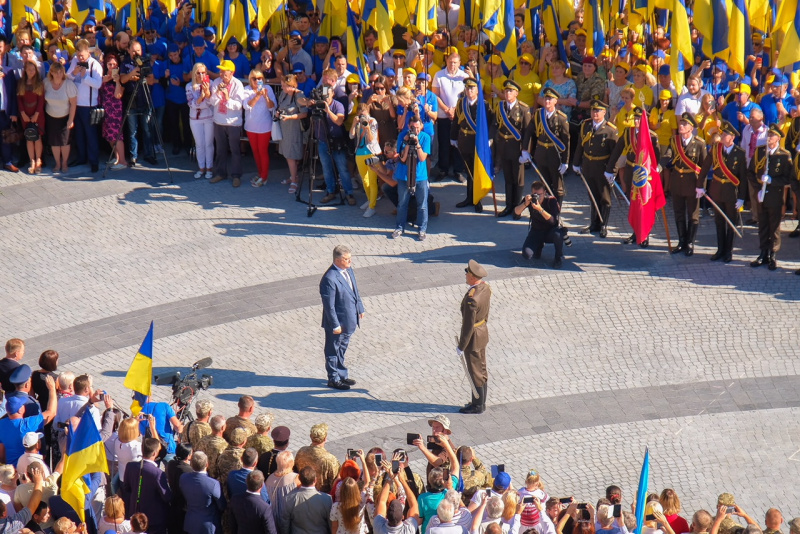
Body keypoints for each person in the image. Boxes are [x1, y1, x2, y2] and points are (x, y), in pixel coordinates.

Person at [697, 121, 748, 262]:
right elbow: (705, 168)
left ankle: (728, 251)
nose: (722, 135)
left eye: (725, 134)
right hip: (717, 190)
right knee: (719, 222)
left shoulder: (739, 153)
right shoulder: (715, 149)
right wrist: (700, 185)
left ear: (732, 138)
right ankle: (720, 249)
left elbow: (743, 178)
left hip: (732, 193)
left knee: (731, 223)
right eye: (722, 133)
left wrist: (742, 198)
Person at [319, 245, 364, 390]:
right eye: (346, 259)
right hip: (337, 323)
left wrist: (360, 308)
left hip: (349, 319)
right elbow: (329, 306)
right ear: (337, 260)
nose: (350, 262)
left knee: (342, 348)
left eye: (350, 258)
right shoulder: (329, 279)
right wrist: (335, 325)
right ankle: (333, 378)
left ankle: (342, 374)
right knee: (333, 350)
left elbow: (354, 290)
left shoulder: (348, 270)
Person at [747, 124, 792, 271]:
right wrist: (758, 188)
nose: (769, 138)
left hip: (775, 196)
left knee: (774, 227)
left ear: (778, 138)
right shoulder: (760, 151)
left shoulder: (784, 155)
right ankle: (763, 252)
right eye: (768, 135)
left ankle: (773, 254)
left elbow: (788, 178)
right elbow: (751, 172)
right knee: (763, 225)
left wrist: (773, 181)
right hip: (761, 196)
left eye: (772, 136)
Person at [572, 100, 618, 237]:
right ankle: (594, 224)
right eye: (593, 110)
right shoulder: (586, 125)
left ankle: (603, 225)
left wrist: (612, 171)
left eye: (598, 110)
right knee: (592, 196)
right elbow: (580, 145)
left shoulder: (610, 130)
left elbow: (614, 154)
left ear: (604, 112)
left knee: (605, 198)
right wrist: (576, 162)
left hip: (602, 168)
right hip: (588, 166)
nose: (595, 113)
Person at [523, 87, 571, 209]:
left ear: (556, 101)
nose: (547, 101)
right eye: (545, 99)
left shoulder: (561, 117)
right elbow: (529, 131)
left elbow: (566, 141)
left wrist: (565, 161)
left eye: (550, 99)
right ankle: (546, 209)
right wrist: (525, 150)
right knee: (544, 183)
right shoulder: (538, 114)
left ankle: (556, 212)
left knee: (557, 186)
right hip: (541, 153)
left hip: (555, 155)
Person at [669, 113, 707, 256]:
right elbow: (668, 155)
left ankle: (690, 242)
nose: (681, 126)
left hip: (692, 183)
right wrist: (660, 166)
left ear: (691, 128)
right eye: (680, 124)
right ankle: (681, 241)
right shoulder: (674, 141)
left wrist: (701, 186)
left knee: (693, 214)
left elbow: (703, 167)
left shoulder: (699, 143)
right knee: (678, 212)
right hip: (677, 182)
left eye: (684, 124)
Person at [457, 260, 492, 414]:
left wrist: (461, 346)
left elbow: (468, 325)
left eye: (467, 273)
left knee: (475, 371)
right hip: (482, 331)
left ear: (472, 276)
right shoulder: (484, 288)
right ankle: (481, 401)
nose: (465, 275)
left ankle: (477, 404)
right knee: (482, 368)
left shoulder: (472, 299)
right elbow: (486, 312)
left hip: (473, 337)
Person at [452, 77, 490, 213]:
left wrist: (489, 139)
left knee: (477, 171)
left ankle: (477, 199)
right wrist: (453, 137)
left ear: (477, 90)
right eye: (467, 88)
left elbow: (489, 123)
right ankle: (469, 197)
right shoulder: (461, 103)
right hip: (464, 139)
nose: (469, 90)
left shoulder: (483, 104)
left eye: (472, 88)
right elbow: (456, 120)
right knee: (468, 170)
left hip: (477, 141)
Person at [0, 375, 56, 467]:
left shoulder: (1, 424)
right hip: (29, 469)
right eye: (22, 405)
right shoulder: (28, 424)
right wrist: (52, 389)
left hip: (12, 471)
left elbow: (2, 455)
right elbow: (51, 412)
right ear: (20, 410)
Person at [392, 115, 432, 240]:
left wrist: (417, 143)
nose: (416, 130)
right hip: (404, 175)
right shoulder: (402, 136)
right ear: (409, 127)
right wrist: (407, 143)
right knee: (402, 203)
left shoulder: (425, 137)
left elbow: (422, 158)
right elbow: (402, 158)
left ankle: (422, 229)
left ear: (421, 127)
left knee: (422, 204)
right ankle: (399, 227)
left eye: (418, 127)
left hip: (420, 176)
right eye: (413, 128)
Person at [494, 80, 530, 217]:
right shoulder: (500, 107)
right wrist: (490, 138)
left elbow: (527, 132)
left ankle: (517, 208)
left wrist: (526, 150)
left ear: (516, 93)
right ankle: (509, 205)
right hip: (504, 146)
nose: (508, 93)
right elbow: (495, 124)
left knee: (518, 179)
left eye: (511, 91)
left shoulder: (523, 109)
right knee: (508, 177)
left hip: (517, 148)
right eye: (506, 91)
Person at [121, 437, 172, 534]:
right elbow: (167, 497)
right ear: (154, 453)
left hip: (134, 515)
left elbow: (126, 488)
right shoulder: (158, 473)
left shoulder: (130, 466)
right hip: (153, 520)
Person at [432, 47, 467, 182]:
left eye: (455, 62)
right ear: (447, 61)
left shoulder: (464, 76)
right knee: (444, 143)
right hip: (443, 115)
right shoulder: (439, 75)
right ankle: (443, 169)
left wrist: (455, 111)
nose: (452, 65)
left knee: (458, 143)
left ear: (459, 63)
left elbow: (466, 96)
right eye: (450, 62)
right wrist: (447, 109)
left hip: (459, 115)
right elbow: (435, 95)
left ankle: (458, 170)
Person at [66, 39, 102, 172]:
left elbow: (98, 84)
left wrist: (85, 76)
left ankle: (94, 161)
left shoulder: (95, 65)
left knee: (91, 134)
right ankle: (81, 157)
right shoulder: (75, 61)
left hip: (89, 104)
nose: (80, 57)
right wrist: (74, 73)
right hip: (76, 104)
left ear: (88, 52)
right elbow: (67, 76)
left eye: (82, 55)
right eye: (78, 55)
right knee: (79, 133)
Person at [120, 40, 157, 166]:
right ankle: (133, 156)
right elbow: (122, 80)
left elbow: (152, 80)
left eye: (138, 50)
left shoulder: (145, 62)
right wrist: (131, 74)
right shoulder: (125, 63)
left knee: (147, 130)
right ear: (129, 50)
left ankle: (149, 155)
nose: (136, 53)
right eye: (134, 50)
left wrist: (141, 77)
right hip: (131, 101)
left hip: (145, 100)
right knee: (132, 131)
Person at [208, 60, 245, 186]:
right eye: (221, 70)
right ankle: (220, 173)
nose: (221, 73)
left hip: (233, 123)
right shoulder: (217, 82)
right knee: (220, 149)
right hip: (218, 121)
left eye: (224, 71)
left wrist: (227, 97)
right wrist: (218, 93)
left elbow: (239, 105)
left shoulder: (238, 84)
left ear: (231, 72)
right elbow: (212, 102)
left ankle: (236, 176)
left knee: (235, 150)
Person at [516, 181, 564, 268]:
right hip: (536, 231)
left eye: (540, 195)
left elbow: (554, 221)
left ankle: (558, 258)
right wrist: (525, 204)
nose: (537, 197)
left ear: (545, 193)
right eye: (535, 194)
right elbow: (516, 213)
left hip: (550, 232)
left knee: (558, 234)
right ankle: (539, 246)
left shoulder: (551, 200)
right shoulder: (530, 200)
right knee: (527, 254)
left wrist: (540, 210)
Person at [180, 450, 226, 534]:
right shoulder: (213, 484)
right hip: (208, 526)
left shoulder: (183, 478)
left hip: (190, 522)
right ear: (207, 464)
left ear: (191, 464)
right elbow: (222, 505)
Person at [243, 69, 275, 187]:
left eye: (259, 78)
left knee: (262, 151)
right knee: (255, 151)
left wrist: (266, 97)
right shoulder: (246, 90)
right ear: (250, 80)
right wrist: (257, 95)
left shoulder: (269, 89)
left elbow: (272, 107)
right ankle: (260, 173)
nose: (257, 81)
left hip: (264, 126)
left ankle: (264, 176)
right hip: (251, 126)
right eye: (254, 78)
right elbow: (246, 106)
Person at [275, 74, 307, 194]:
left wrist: (290, 117)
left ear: (291, 85)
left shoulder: (299, 95)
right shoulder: (283, 94)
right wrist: (278, 113)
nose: (282, 87)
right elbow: (280, 107)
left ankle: (294, 181)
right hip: (284, 128)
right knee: (287, 154)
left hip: (294, 130)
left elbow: (304, 113)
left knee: (291, 155)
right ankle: (293, 176)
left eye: (284, 86)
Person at [43, 61, 76, 173]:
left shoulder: (68, 84)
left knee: (65, 142)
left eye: (61, 71)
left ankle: (64, 163)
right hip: (51, 116)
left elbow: (73, 104)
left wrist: (71, 120)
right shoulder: (46, 83)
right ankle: (57, 163)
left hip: (65, 116)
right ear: (51, 73)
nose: (58, 74)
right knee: (54, 142)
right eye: (56, 72)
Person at [350, 102, 381, 217]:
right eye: (361, 115)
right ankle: (369, 200)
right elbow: (351, 136)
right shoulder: (357, 123)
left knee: (373, 181)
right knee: (364, 179)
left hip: (371, 152)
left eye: (365, 115)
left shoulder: (373, 121)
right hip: (359, 153)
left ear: (368, 113)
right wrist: (354, 124)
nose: (363, 118)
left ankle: (372, 206)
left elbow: (372, 140)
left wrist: (367, 128)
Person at [280, 467, 332, 534]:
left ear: (299, 479)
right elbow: (331, 524)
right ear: (315, 480)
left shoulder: (289, 499)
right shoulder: (326, 499)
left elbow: (285, 525)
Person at [98, 53, 127, 170]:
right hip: (105, 110)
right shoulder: (103, 76)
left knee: (117, 136)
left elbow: (118, 95)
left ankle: (123, 161)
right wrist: (102, 81)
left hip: (115, 110)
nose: (112, 66)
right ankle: (117, 157)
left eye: (114, 64)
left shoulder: (119, 78)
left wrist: (117, 82)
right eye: (110, 64)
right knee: (109, 136)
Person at [186, 62, 215, 179]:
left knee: (208, 144)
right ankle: (201, 168)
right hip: (195, 119)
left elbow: (210, 103)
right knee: (199, 144)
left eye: (203, 73)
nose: (201, 75)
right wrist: (202, 97)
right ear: (194, 74)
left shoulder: (211, 83)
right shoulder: (189, 86)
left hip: (208, 117)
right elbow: (191, 104)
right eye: (199, 73)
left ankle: (209, 168)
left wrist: (206, 95)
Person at [294, 424, 340, 494]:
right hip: (323, 497)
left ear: (310, 437)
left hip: (302, 491)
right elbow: (335, 483)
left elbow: (296, 470)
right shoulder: (330, 459)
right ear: (325, 438)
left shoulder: (301, 451)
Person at [230, 470, 278, 534]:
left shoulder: (235, 499)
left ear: (246, 482)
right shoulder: (265, 508)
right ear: (262, 485)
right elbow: (271, 531)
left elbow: (233, 525)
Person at [0, 464, 44, 534]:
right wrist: (38, 482)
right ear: (4, 514)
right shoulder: (10, 525)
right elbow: (30, 509)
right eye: (15, 472)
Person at [265, 450, 300, 528]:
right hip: (289, 519)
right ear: (291, 463)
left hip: (274, 519)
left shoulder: (269, 479)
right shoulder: (296, 478)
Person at [166, 442, 193, 534]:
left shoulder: (171, 464)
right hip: (184, 505)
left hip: (174, 502)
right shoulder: (188, 470)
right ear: (188, 456)